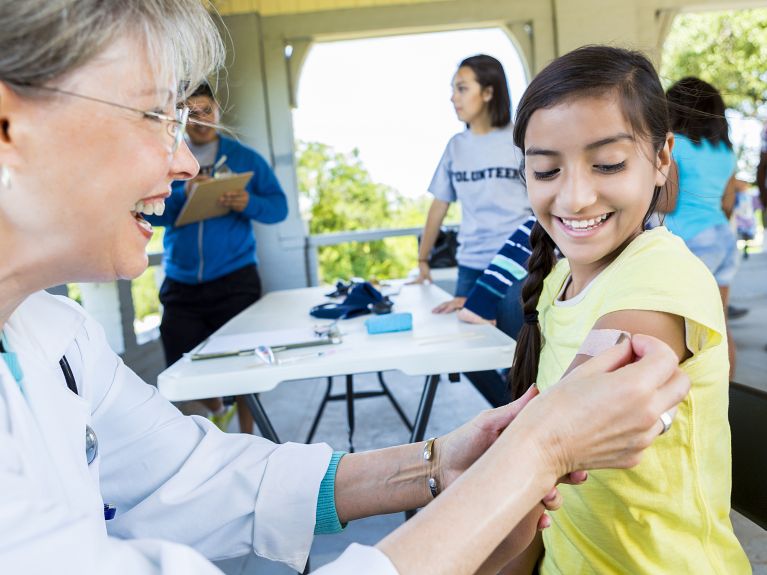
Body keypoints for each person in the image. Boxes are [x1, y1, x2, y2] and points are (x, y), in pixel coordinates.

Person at [0, 3, 691, 573]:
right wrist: (536, 449)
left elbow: (190, 471)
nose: (183, 159)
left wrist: (433, 461)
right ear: (7, 126)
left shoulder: (55, 333)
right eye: (153, 116)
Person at [504, 46, 749, 573]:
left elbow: (556, 432)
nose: (574, 198)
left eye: (607, 163)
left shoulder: (661, 278)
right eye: (546, 170)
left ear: (662, 158)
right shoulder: (557, 279)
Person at [144, 82, 289, 434]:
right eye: (188, 113)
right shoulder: (169, 159)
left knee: (245, 366)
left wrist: (247, 204)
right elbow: (149, 211)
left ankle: (249, 437)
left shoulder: (245, 158)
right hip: (181, 282)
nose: (198, 120)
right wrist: (182, 196)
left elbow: (279, 208)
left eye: (204, 110)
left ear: (218, 110)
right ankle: (211, 421)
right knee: (184, 365)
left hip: (235, 278)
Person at [413, 54, 531, 406]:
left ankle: (524, 423)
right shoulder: (456, 147)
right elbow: (439, 204)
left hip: (516, 265)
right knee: (467, 354)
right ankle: (513, 416)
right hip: (471, 265)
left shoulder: (519, 140)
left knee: (515, 353)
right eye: (453, 89)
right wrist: (422, 260)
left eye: (462, 88)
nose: (454, 97)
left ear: (489, 92)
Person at [663, 77, 740, 379]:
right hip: (722, 238)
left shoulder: (674, 145)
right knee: (718, 322)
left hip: (691, 242)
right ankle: (728, 393)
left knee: (683, 327)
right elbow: (728, 203)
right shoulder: (726, 152)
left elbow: (667, 203)